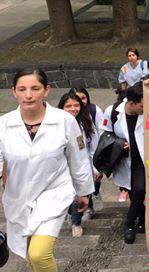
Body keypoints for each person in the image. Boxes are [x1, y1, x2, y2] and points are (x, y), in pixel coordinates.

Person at [0, 69, 94, 271]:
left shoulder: (64, 121)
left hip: (53, 194)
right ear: (14, 92)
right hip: (18, 198)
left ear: (46, 90)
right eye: (22, 89)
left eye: (35, 88)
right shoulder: (4, 124)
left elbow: (78, 159)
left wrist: (84, 191)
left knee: (39, 254)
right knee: (30, 255)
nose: (28, 95)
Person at [105, 82, 145, 244]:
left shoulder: (145, 113)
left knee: (140, 189)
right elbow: (106, 133)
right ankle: (141, 218)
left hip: (142, 159)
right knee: (132, 192)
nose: (144, 109)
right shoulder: (113, 111)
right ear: (132, 103)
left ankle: (129, 224)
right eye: (141, 105)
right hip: (124, 159)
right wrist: (118, 144)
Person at [57, 91, 100, 238]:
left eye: (76, 105)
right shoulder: (55, 125)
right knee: (69, 197)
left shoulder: (85, 122)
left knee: (80, 193)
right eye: (68, 106)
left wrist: (95, 167)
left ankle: (76, 223)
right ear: (61, 108)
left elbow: (93, 146)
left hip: (82, 166)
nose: (73, 108)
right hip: (62, 168)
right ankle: (74, 214)